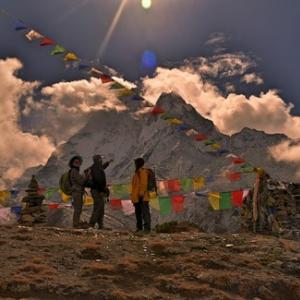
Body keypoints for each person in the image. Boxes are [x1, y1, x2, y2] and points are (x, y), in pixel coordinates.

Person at [87, 155, 113, 229]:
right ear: (98, 160)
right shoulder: (96, 168)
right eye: (100, 159)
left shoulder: (96, 167)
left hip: (97, 190)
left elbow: (102, 167)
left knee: (101, 208)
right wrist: (102, 190)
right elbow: (98, 180)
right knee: (98, 207)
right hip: (97, 190)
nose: (101, 160)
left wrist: (107, 163)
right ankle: (91, 225)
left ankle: (100, 225)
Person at [131, 157, 151, 233]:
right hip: (137, 197)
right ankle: (139, 228)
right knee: (138, 213)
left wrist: (141, 194)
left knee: (145, 213)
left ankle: (147, 228)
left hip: (142, 197)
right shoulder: (137, 173)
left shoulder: (142, 172)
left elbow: (143, 184)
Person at [69, 155, 88, 228]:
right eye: (76, 162)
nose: (78, 163)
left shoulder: (73, 171)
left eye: (78, 162)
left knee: (78, 208)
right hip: (77, 192)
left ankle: (76, 223)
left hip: (77, 192)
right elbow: (81, 181)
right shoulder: (74, 171)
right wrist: (86, 175)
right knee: (78, 209)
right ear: (73, 163)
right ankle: (76, 224)